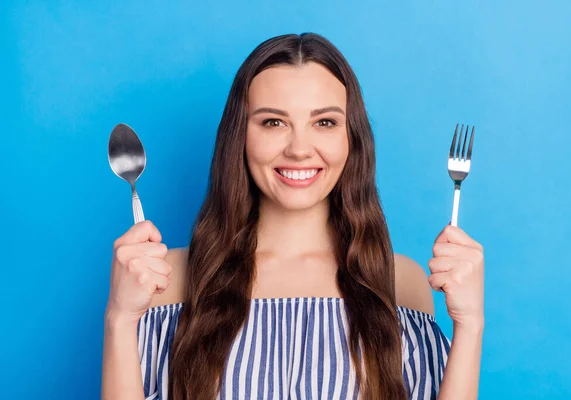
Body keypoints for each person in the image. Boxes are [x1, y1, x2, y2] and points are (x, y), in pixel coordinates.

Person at [101, 33, 485, 400]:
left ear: (351, 138)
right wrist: (120, 317)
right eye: (273, 122)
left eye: (324, 122)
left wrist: (470, 325)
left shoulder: (400, 281)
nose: (300, 149)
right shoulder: (164, 278)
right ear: (241, 136)